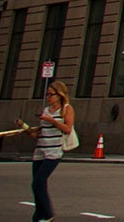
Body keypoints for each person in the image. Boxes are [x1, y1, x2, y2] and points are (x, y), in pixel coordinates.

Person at [27, 80, 75, 222]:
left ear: (59, 95)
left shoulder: (66, 109)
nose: (48, 97)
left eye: (51, 94)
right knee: (36, 184)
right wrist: (33, 132)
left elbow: (67, 129)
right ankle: (39, 215)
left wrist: (53, 121)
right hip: (41, 149)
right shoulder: (46, 110)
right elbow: (42, 130)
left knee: (39, 182)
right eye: (47, 94)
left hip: (54, 151)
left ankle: (48, 215)